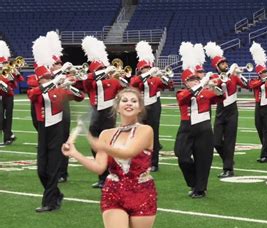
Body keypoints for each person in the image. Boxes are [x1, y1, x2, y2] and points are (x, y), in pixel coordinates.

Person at [62, 88, 156, 228]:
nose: (129, 103)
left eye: (134, 101)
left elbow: (129, 152)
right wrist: (75, 153)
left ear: (140, 108)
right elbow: (99, 168)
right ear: (117, 107)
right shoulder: (106, 134)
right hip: (114, 193)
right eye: (124, 100)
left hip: (143, 193)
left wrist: (98, 144)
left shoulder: (146, 131)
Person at [29, 35, 84, 212]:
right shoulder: (38, 91)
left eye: (47, 77)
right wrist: (53, 81)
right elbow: (34, 93)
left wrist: (67, 85)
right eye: (43, 78)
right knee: (41, 170)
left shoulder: (59, 90)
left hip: (57, 129)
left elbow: (80, 96)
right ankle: (56, 194)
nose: (45, 80)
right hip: (43, 130)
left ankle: (49, 202)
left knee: (52, 168)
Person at [175, 42, 224, 198]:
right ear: (185, 82)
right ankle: (194, 181)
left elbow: (220, 97)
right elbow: (185, 97)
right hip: (186, 127)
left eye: (196, 78)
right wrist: (201, 84)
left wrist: (215, 87)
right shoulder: (181, 93)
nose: (195, 81)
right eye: (191, 79)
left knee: (204, 160)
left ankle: (200, 188)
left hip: (203, 128)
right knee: (181, 155)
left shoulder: (205, 92)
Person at [82, 36, 126, 188]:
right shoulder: (91, 82)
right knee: (95, 145)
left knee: (108, 146)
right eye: (98, 70)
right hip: (95, 113)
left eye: (102, 69)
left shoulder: (113, 81)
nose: (102, 72)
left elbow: (127, 88)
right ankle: (102, 176)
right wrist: (102, 72)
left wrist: (120, 75)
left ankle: (112, 175)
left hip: (108, 114)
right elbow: (87, 81)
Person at [204, 42, 247, 178]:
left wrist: (240, 75)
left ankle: (228, 169)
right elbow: (216, 85)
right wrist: (227, 75)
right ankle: (228, 160)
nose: (225, 65)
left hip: (232, 111)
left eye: (225, 63)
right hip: (221, 110)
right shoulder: (214, 77)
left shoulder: (234, 76)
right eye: (222, 64)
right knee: (216, 141)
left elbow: (248, 85)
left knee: (229, 140)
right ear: (217, 67)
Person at [130, 40, 173, 172]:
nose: (147, 70)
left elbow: (169, 86)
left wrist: (165, 76)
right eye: (145, 68)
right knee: (138, 134)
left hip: (154, 106)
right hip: (140, 107)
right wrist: (148, 74)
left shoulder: (155, 79)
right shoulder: (136, 78)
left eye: (148, 68)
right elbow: (134, 83)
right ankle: (140, 160)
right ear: (140, 70)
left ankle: (154, 163)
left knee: (153, 134)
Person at [0, 40, 23, 145]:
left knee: (9, 117)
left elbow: (18, 82)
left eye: (6, 62)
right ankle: (9, 134)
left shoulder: (9, 71)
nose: (5, 64)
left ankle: (7, 138)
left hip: (8, 96)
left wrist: (15, 73)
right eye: (3, 63)